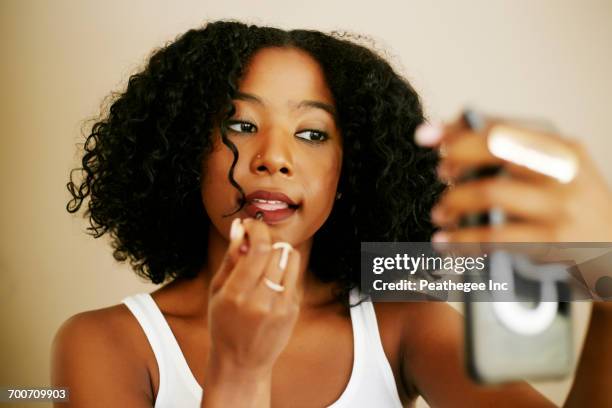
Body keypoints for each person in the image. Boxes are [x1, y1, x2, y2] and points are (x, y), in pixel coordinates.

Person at [52, 20, 612, 407]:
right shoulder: (105, 343)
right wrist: (240, 371)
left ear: (350, 171)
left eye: (312, 133)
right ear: (181, 152)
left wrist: (603, 266)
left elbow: (562, 273)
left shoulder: (401, 309)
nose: (273, 157)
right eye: (242, 125)